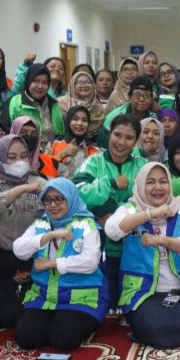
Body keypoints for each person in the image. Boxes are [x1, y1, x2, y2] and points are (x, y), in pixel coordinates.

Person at [104, 162, 180, 348]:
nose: (158, 187)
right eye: (150, 182)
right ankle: (151, 331)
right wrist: (150, 213)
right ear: (140, 185)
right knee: (154, 326)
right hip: (142, 291)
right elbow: (112, 230)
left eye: (163, 181)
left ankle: (150, 333)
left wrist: (163, 241)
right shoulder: (130, 208)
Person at [12, 178, 106, 350]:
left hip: (80, 298)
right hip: (44, 296)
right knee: (26, 338)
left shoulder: (86, 224)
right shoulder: (41, 224)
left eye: (59, 199)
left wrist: (51, 263)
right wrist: (48, 236)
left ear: (70, 198)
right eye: (47, 200)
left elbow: (90, 262)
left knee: (63, 339)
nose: (53, 205)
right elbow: (19, 249)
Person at [74, 115, 147, 307]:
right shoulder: (93, 162)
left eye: (129, 138)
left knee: (133, 299)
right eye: (117, 135)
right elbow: (78, 194)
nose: (121, 142)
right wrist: (111, 184)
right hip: (100, 243)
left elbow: (153, 200)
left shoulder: (143, 165)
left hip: (135, 240)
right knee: (107, 301)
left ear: (135, 141)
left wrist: (114, 212)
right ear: (109, 134)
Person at [0, 135, 46, 328]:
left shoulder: (39, 183)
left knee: (29, 315)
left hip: (32, 259)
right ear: (0, 157)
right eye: (11, 157)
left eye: (23, 156)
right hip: (1, 259)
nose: (19, 162)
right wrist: (15, 192)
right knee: (4, 317)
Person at [3, 63, 66, 147]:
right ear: (28, 81)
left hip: (52, 153)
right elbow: (6, 134)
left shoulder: (54, 105)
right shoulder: (14, 102)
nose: (40, 86)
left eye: (45, 82)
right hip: (22, 151)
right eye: (36, 81)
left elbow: (60, 134)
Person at [99, 75, 157, 147]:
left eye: (147, 95)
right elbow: (103, 143)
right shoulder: (115, 116)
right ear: (130, 97)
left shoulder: (154, 117)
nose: (142, 99)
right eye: (137, 95)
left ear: (151, 99)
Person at [49, 105, 100, 178]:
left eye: (84, 120)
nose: (80, 123)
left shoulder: (94, 150)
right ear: (68, 121)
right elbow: (44, 171)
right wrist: (62, 154)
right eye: (75, 119)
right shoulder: (54, 144)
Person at [59, 70, 106, 139]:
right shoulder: (60, 103)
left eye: (88, 82)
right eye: (80, 82)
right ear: (73, 85)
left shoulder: (98, 107)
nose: (84, 85)